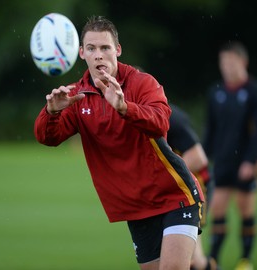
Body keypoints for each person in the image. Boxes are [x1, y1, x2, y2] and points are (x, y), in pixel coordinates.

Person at [34, 15, 204, 270]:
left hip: (174, 196)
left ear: (118, 50)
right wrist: (52, 112)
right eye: (91, 48)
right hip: (136, 208)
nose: (99, 55)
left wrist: (125, 107)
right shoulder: (76, 96)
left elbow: (160, 123)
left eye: (105, 48)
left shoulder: (142, 83)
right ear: (81, 53)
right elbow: (47, 138)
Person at [202, 41, 257, 270]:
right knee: (218, 209)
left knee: (245, 209)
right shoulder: (216, 92)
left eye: (231, 61)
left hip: (245, 163)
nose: (226, 66)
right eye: (223, 62)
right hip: (222, 162)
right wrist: (203, 156)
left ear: (243, 62)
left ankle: (245, 259)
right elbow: (210, 130)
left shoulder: (256, 93)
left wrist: (251, 161)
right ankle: (213, 259)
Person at [167, 103, 217, 270]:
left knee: (193, 260)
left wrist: (163, 179)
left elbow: (198, 159)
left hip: (194, 186)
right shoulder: (134, 115)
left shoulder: (172, 117)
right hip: (171, 190)